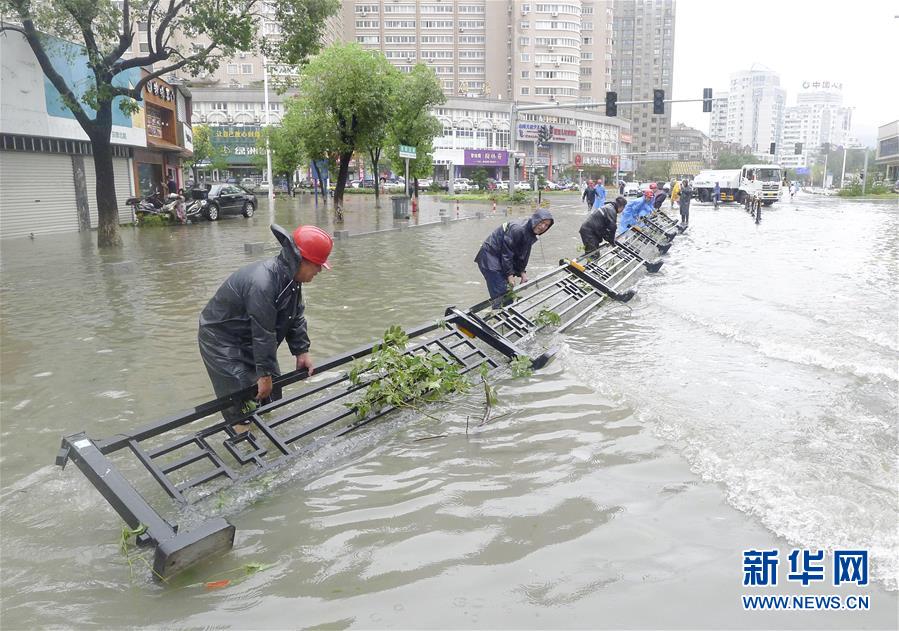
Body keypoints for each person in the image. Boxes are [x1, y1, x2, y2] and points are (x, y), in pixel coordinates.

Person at [198, 223, 333, 433]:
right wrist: (265, 374)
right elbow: (264, 331)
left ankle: (267, 434)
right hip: (222, 340)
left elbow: (294, 315)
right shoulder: (263, 283)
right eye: (317, 265)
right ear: (300, 260)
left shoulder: (290, 280)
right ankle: (243, 440)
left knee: (271, 393)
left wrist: (302, 351)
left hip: (252, 337)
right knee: (242, 398)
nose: (319, 270)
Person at [475, 209, 554, 308]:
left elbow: (522, 254)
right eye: (541, 222)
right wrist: (510, 275)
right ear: (536, 219)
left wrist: (522, 272)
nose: (543, 227)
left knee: (508, 294)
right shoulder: (518, 229)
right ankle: (499, 314)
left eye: (546, 225)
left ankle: (505, 312)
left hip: (501, 258)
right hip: (490, 257)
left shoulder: (531, 232)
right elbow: (507, 253)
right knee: (501, 294)